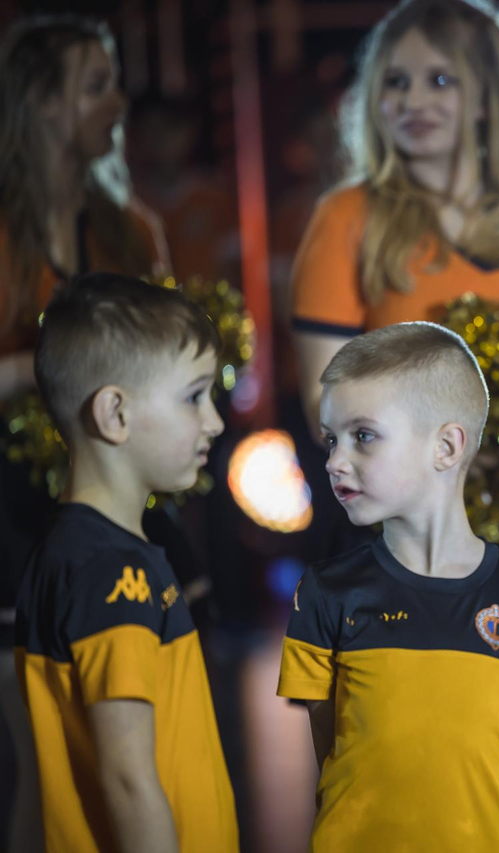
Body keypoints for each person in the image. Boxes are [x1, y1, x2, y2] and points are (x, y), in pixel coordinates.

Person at [277, 321, 499, 851]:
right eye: (332, 439)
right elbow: (337, 765)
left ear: (446, 447)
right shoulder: (326, 592)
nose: (335, 461)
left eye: (363, 436)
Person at [0, 17, 170, 849]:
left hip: (120, 502)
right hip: (17, 509)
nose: (118, 101)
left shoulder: (130, 229)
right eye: (96, 84)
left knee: (147, 743)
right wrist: (48, 370)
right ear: (40, 102)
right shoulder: (5, 233)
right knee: (38, 762)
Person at [290, 0, 499, 437]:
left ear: (488, 95)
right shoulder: (345, 216)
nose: (413, 101)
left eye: (440, 80)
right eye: (395, 82)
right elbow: (323, 408)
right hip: (412, 482)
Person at [13, 273, 236, 853]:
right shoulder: (114, 571)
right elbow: (129, 781)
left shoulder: (76, 553)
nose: (214, 421)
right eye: (194, 396)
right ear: (114, 413)